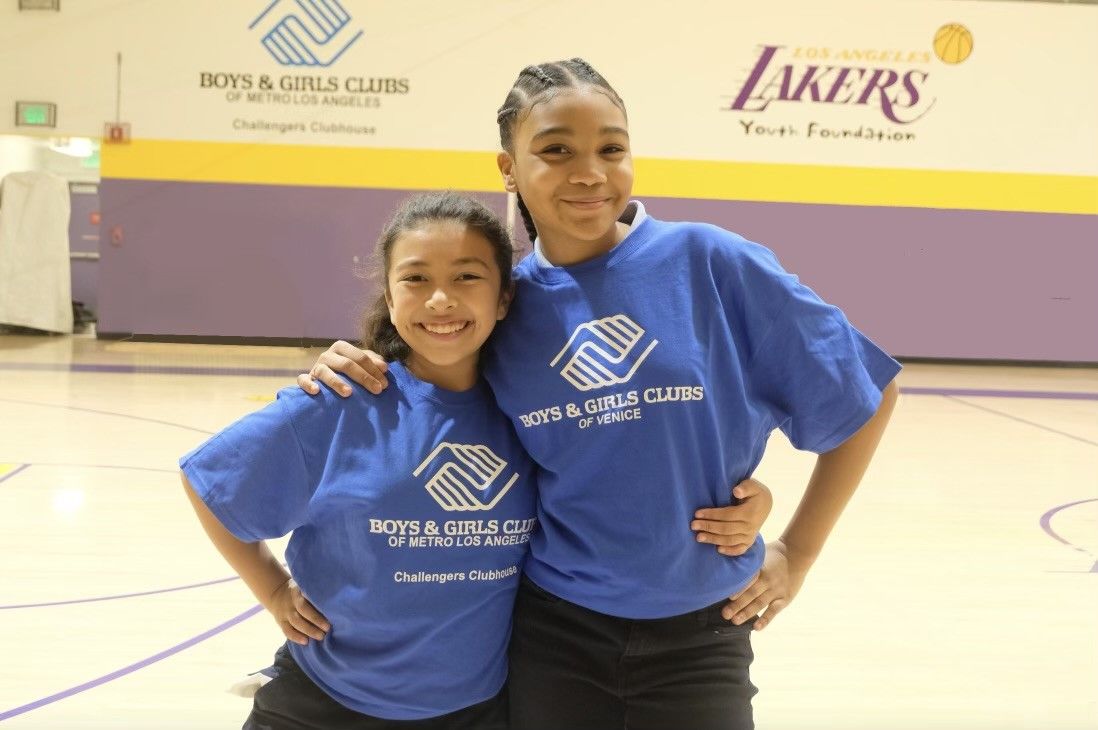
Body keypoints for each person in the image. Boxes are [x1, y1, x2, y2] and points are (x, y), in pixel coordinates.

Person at [300, 59, 901, 730]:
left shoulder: (711, 262)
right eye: (556, 151)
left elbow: (865, 393)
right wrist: (351, 362)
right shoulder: (504, 307)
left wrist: (800, 548)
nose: (589, 172)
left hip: (703, 630)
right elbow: (426, 406)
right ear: (508, 167)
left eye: (611, 149)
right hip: (554, 630)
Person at [180, 192, 536, 729]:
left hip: (476, 709)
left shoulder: (532, 412)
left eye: (467, 277)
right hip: (324, 703)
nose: (440, 299)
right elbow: (208, 482)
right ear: (390, 298)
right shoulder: (341, 399)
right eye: (415, 279)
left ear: (504, 297)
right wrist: (273, 590)